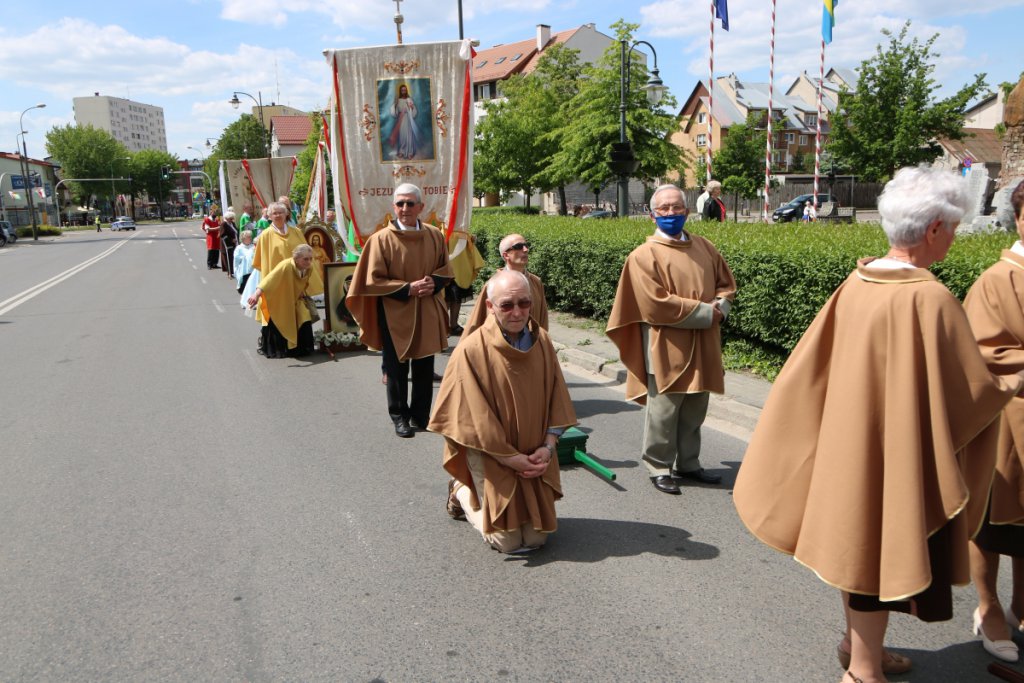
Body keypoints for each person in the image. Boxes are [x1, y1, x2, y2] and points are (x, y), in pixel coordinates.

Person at [733, 166, 1024, 683]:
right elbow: (972, 393)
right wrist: (1009, 382)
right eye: (953, 229)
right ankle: (864, 672)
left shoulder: (860, 278)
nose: (953, 239)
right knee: (874, 550)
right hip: (894, 451)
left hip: (850, 442)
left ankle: (857, 646)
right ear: (935, 229)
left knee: (855, 544)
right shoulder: (928, 297)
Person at [429, 270, 577, 554]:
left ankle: (496, 503)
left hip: (533, 452)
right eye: (507, 305)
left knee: (536, 540)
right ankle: (461, 491)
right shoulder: (471, 350)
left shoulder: (542, 341)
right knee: (507, 543)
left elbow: (557, 399)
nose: (517, 312)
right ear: (489, 307)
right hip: (490, 453)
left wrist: (547, 447)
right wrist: (510, 459)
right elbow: (469, 419)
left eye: (524, 303)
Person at [607, 184, 736, 495]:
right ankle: (659, 466)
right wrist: (707, 313)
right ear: (652, 213)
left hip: (704, 341)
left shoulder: (705, 247)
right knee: (664, 411)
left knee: (695, 407)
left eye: (677, 207)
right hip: (665, 343)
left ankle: (689, 464)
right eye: (664, 208)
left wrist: (722, 306)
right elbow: (655, 304)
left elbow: (726, 285)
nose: (671, 213)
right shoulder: (643, 255)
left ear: (687, 211)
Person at [962, 179, 1024, 663]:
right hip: (1010, 422)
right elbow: (982, 352)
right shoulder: (997, 280)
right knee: (992, 522)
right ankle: (989, 607)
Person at [345, 183, 452, 438]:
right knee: (396, 370)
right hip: (395, 313)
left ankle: (421, 415)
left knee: (425, 368)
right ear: (394, 207)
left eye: (410, 203)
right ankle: (400, 416)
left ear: (421, 207)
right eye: (400, 203)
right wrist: (407, 288)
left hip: (426, 309)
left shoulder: (435, 235)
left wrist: (433, 283)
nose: (405, 208)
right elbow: (371, 280)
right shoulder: (380, 240)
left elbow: (445, 270)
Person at [249, 202, 318, 351]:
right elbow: (261, 262)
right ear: (269, 216)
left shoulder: (296, 232)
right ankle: (271, 345)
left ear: (287, 214)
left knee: (298, 312)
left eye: (281, 212)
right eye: (275, 213)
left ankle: (296, 346)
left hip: (295, 280)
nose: (278, 215)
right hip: (274, 281)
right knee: (274, 312)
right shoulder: (265, 235)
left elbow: (307, 255)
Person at [462, 233, 548, 338]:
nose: (525, 249)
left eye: (526, 245)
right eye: (518, 247)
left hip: (531, 346)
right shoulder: (494, 285)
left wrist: (543, 345)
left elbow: (543, 320)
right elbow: (477, 323)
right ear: (506, 255)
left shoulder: (536, 282)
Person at [247, 244, 324, 359]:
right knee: (280, 321)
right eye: (305, 259)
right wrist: (256, 295)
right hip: (278, 299)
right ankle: (278, 348)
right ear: (296, 258)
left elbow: (303, 282)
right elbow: (268, 280)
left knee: (304, 316)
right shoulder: (285, 265)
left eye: (310, 258)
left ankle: (300, 349)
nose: (309, 262)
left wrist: (301, 292)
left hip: (294, 299)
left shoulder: (310, 268)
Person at [444, 229, 485, 336]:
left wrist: (470, 238)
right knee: (446, 300)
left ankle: (453, 325)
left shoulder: (461, 230)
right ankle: (443, 327)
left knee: (456, 298)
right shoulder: (441, 228)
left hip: (460, 268)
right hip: (446, 268)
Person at [388, 83, 421, 160]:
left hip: (408, 118)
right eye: (402, 90)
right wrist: (396, 106)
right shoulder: (398, 100)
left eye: (405, 90)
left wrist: (412, 107)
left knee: (408, 135)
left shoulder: (409, 99)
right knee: (402, 136)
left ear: (406, 91)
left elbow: (414, 112)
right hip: (401, 119)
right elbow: (394, 112)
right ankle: (402, 151)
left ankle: (409, 152)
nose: (403, 91)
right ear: (400, 91)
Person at [233, 230, 256, 294]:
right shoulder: (239, 248)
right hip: (243, 271)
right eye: (248, 237)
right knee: (244, 288)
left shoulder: (253, 247)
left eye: (250, 237)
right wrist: (245, 257)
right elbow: (236, 259)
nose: (250, 238)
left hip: (252, 270)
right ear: (243, 238)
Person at [220, 210, 239, 277]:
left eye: (232, 218)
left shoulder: (232, 224)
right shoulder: (224, 224)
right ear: (227, 218)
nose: (232, 220)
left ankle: (234, 271)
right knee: (229, 258)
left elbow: (236, 231)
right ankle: (229, 272)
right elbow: (222, 235)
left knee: (233, 258)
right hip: (227, 245)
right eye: (231, 218)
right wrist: (231, 240)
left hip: (234, 244)